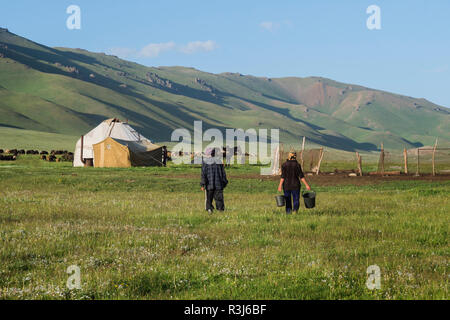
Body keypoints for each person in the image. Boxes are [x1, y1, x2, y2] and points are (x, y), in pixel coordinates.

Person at [200, 148, 228, 213]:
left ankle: (209, 209)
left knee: (209, 199)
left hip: (209, 185)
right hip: (219, 185)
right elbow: (223, 174)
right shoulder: (220, 162)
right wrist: (224, 182)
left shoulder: (205, 162)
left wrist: (203, 184)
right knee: (219, 199)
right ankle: (220, 210)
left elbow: (203, 174)